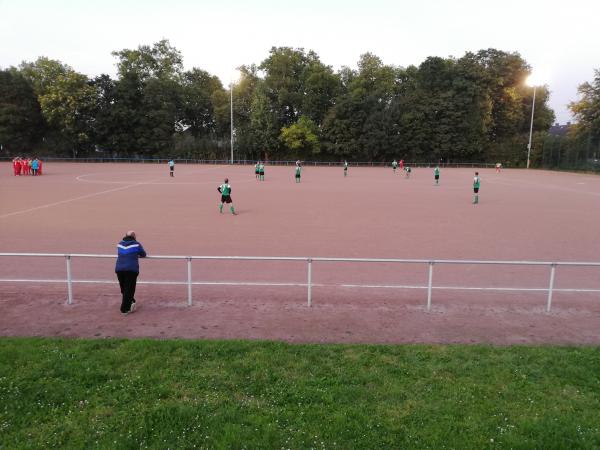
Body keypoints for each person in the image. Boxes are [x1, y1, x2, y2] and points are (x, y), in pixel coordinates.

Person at [115, 230, 147, 315]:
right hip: (131, 270)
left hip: (119, 269)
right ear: (134, 237)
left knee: (124, 288)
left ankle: (131, 301)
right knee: (129, 289)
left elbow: (122, 253)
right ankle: (124, 309)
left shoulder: (119, 244)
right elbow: (143, 254)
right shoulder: (136, 244)